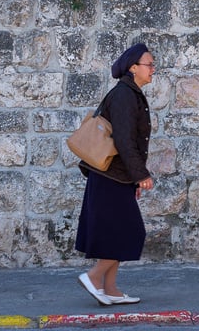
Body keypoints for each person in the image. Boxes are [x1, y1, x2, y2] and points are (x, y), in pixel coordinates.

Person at [74, 42, 156, 306]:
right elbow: (123, 140)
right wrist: (141, 175)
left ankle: (110, 289)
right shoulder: (124, 95)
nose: (153, 69)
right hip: (110, 174)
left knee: (115, 233)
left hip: (115, 175)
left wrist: (132, 178)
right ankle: (95, 277)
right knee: (130, 232)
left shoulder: (130, 93)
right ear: (133, 68)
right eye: (149, 64)